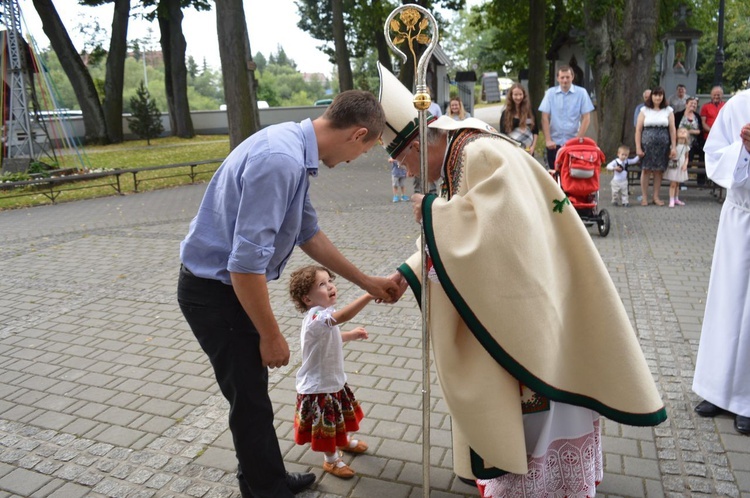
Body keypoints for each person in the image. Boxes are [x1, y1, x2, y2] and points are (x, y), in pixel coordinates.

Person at [377, 61, 666, 497]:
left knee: (540, 418)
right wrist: (408, 272)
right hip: (525, 301)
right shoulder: (460, 154)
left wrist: (433, 211)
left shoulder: (480, 153)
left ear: (420, 142)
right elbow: (469, 228)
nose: (411, 171)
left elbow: (503, 233)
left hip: (534, 314)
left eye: (403, 158)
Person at [177, 90, 399, 498]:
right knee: (249, 399)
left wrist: (366, 281)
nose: (354, 161)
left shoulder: (292, 149)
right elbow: (244, 265)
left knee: (252, 394)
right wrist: (271, 334)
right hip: (215, 292)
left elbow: (307, 232)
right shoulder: (281, 160)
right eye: (363, 151)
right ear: (358, 133)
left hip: (227, 289)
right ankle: (266, 490)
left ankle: (267, 480)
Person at [692, 88, 750, 436]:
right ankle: (718, 390)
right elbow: (714, 155)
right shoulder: (740, 104)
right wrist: (742, 150)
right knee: (726, 305)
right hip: (739, 218)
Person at [288, 265, 372, 479]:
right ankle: (331, 460)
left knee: (339, 418)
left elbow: (331, 335)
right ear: (307, 299)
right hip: (319, 388)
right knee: (326, 427)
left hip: (332, 381)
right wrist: (370, 294)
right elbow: (342, 316)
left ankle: (344, 441)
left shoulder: (323, 317)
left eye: (330, 281)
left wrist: (350, 335)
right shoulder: (315, 318)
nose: (330, 286)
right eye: (322, 284)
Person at [539, 65, 595, 171]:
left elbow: (586, 118)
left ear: (572, 77)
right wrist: (548, 140)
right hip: (554, 144)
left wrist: (578, 140)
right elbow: (544, 117)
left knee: (572, 175)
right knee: (554, 175)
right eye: (562, 77)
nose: (565, 80)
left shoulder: (581, 93)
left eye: (567, 77)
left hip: (572, 143)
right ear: (558, 78)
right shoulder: (550, 93)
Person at [635, 86, 677, 206]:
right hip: (647, 145)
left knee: (659, 171)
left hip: (663, 145)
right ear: (651, 96)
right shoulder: (644, 110)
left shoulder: (668, 110)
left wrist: (673, 147)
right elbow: (638, 130)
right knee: (646, 170)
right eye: (655, 95)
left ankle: (656, 197)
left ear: (663, 96)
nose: (657, 97)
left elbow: (672, 129)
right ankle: (644, 197)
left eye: (660, 95)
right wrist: (638, 147)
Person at [498, 83, 538, 154]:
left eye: (520, 94)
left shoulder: (530, 111)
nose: (518, 97)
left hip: (528, 151)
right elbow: (502, 134)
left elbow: (535, 131)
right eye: (515, 95)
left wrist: (533, 147)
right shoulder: (505, 113)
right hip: (512, 152)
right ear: (511, 96)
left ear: (524, 95)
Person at [664, 128, 690, 207]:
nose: (682, 132)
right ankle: (671, 199)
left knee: (677, 184)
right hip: (674, 166)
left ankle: (676, 198)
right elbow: (669, 155)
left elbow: (686, 157)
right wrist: (670, 156)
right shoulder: (674, 145)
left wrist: (685, 164)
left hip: (681, 166)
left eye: (684, 131)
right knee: (673, 184)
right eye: (680, 131)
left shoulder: (686, 147)